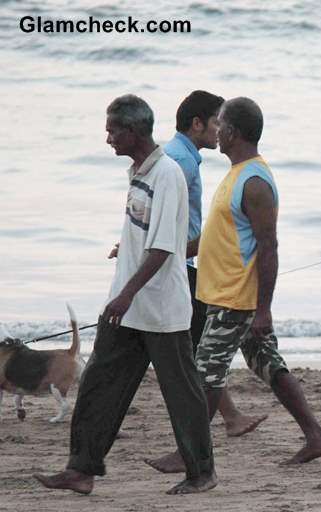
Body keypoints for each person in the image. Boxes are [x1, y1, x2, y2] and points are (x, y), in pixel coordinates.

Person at [33, 94, 216, 495]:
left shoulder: (167, 173)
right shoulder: (138, 171)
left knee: (181, 393)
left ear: (133, 132)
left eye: (113, 130)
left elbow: (165, 246)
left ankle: (202, 472)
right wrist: (120, 289)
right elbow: (141, 235)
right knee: (99, 384)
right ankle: (81, 470)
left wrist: (127, 295)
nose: (108, 138)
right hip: (128, 305)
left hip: (161, 308)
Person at [148, 97, 321, 472]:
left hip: (236, 298)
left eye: (220, 124)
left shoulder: (254, 182)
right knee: (268, 365)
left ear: (231, 132)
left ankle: (190, 452)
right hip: (226, 294)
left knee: (205, 373)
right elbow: (215, 236)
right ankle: (317, 436)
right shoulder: (236, 173)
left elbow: (269, 247)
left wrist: (263, 308)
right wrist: (166, 252)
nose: (216, 130)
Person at [159, 90, 267, 438]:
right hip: (182, 264)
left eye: (224, 123)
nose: (219, 129)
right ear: (197, 124)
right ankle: (224, 421)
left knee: (200, 354)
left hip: (189, 264)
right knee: (199, 352)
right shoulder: (182, 160)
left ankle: (217, 425)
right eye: (216, 121)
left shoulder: (182, 157)